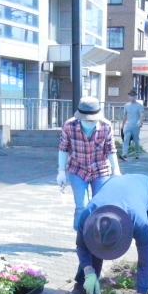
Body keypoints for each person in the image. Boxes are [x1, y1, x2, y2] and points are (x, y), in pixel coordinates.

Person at [66, 174, 148, 294]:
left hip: (145, 186)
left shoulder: (138, 221)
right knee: (97, 240)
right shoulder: (88, 214)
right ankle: (83, 283)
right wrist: (89, 272)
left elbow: (145, 261)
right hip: (115, 185)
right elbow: (82, 246)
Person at [57, 96, 121, 230]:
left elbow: (111, 149)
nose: (89, 122)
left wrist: (116, 170)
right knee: (82, 206)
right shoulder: (69, 126)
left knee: (99, 206)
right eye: (86, 120)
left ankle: (95, 238)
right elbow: (63, 149)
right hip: (77, 169)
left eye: (92, 120)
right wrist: (61, 172)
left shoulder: (106, 126)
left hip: (100, 170)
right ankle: (81, 238)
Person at [121, 89, 145, 160]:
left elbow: (142, 115)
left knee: (136, 140)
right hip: (127, 125)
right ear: (129, 97)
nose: (132, 97)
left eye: (133, 96)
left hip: (136, 125)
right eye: (130, 96)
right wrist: (122, 125)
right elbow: (125, 116)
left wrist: (140, 122)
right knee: (126, 139)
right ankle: (124, 154)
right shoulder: (126, 105)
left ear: (135, 97)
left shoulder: (139, 106)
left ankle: (137, 153)